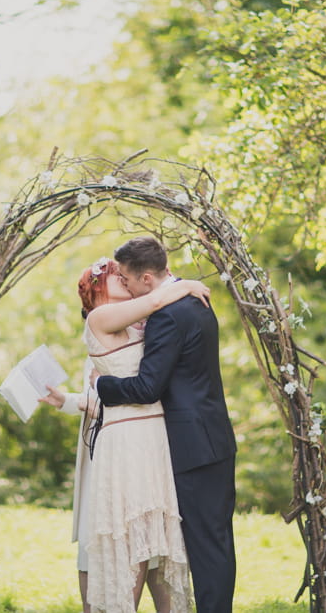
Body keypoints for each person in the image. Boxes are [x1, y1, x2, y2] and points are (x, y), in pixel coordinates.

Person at [40, 255, 210, 613]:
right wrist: (186, 285)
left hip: (155, 434)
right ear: (99, 290)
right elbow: (155, 297)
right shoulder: (99, 318)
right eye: (113, 276)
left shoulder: (141, 321)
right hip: (128, 440)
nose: (121, 276)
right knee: (130, 535)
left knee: (159, 535)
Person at [94, 235, 237, 613]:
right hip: (214, 437)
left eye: (125, 278)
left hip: (193, 446)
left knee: (207, 549)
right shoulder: (194, 301)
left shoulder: (166, 316)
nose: (121, 284)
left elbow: (147, 386)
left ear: (145, 279)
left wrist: (102, 386)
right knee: (216, 542)